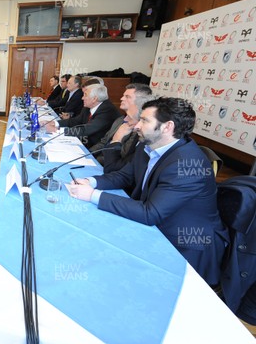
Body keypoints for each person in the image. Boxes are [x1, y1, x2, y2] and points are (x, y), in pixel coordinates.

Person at [68, 97, 229, 286]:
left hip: (185, 246)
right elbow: (125, 176)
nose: (136, 125)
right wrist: (91, 181)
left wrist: (92, 195)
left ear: (167, 127)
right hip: (157, 228)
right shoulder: (148, 144)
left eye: (145, 120)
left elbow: (150, 213)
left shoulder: (187, 164)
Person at [90, 83, 153, 173]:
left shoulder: (139, 128)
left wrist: (117, 138)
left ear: (140, 102)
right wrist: (87, 154)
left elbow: (122, 157)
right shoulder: (120, 120)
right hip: (99, 162)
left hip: (110, 168)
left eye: (127, 97)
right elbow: (103, 142)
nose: (121, 98)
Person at [53, 84, 121, 148]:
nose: (82, 98)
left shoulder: (107, 110)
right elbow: (76, 121)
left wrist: (58, 130)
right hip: (84, 141)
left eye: (85, 95)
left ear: (94, 99)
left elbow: (87, 129)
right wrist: (55, 123)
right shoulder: (88, 106)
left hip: (94, 147)